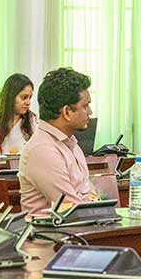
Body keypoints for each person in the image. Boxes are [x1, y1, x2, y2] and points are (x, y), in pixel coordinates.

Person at [18, 68, 96, 213]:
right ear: (67, 112)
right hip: (58, 228)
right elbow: (72, 209)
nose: (90, 112)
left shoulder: (71, 144)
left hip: (80, 225)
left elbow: (90, 194)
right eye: (85, 106)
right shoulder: (42, 150)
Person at [0, 74, 37, 153]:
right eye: (23, 97)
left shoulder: (33, 122)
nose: (28, 102)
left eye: (30, 98)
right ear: (11, 97)